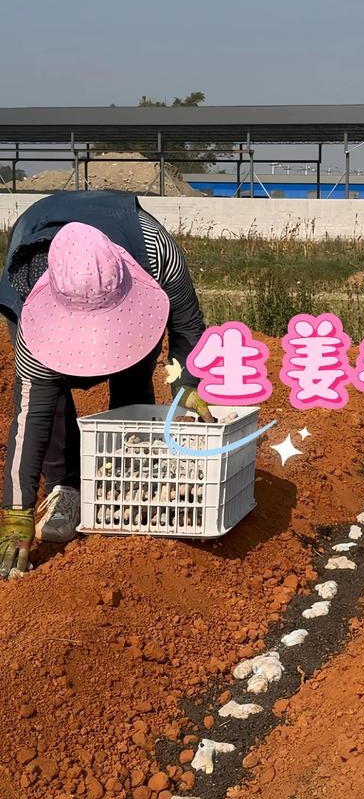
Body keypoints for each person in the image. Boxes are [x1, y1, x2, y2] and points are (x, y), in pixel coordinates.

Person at [0, 190, 213, 579]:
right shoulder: (29, 302)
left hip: (132, 269)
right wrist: (16, 512)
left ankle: (131, 473)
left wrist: (187, 385)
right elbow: (31, 413)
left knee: (134, 370)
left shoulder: (155, 250)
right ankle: (65, 488)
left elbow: (186, 324)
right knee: (50, 394)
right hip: (35, 249)